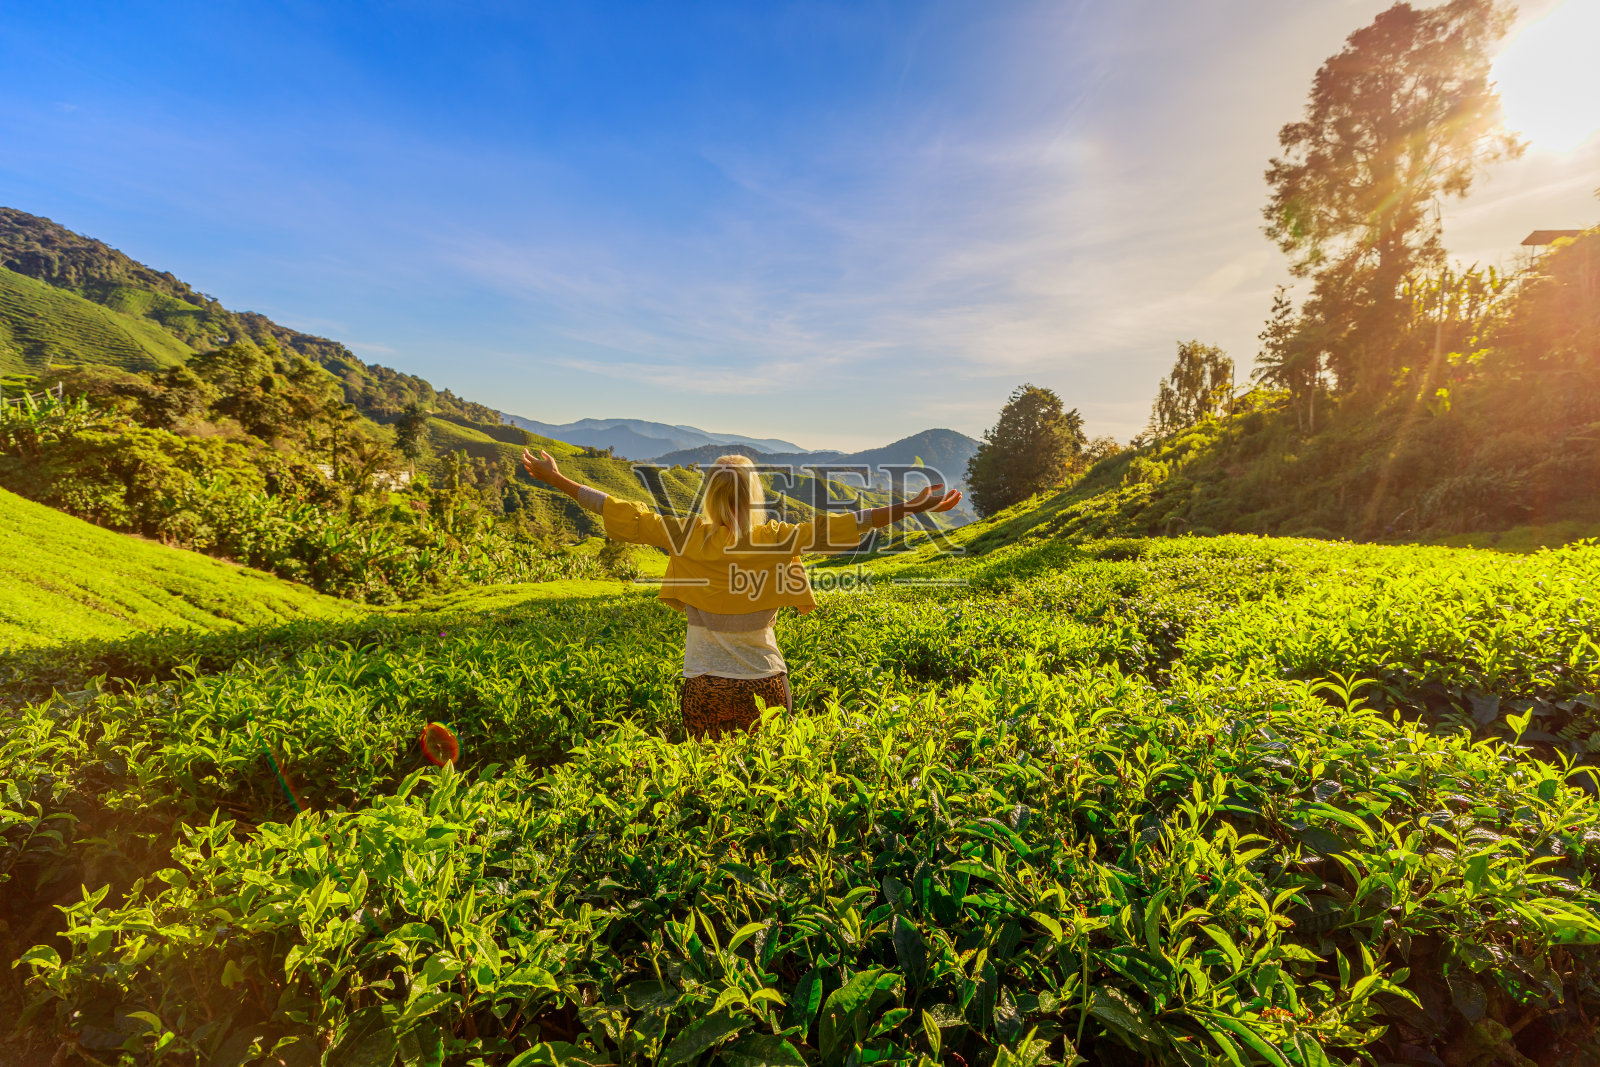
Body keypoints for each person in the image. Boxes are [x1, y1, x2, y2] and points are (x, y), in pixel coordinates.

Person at [520, 449, 962, 739]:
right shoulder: (778, 538)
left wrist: (556, 478)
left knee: (709, 795)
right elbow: (846, 525)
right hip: (766, 684)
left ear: (710, 493)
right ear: (755, 495)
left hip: (704, 684)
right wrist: (907, 507)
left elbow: (621, 511)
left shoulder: (684, 535)